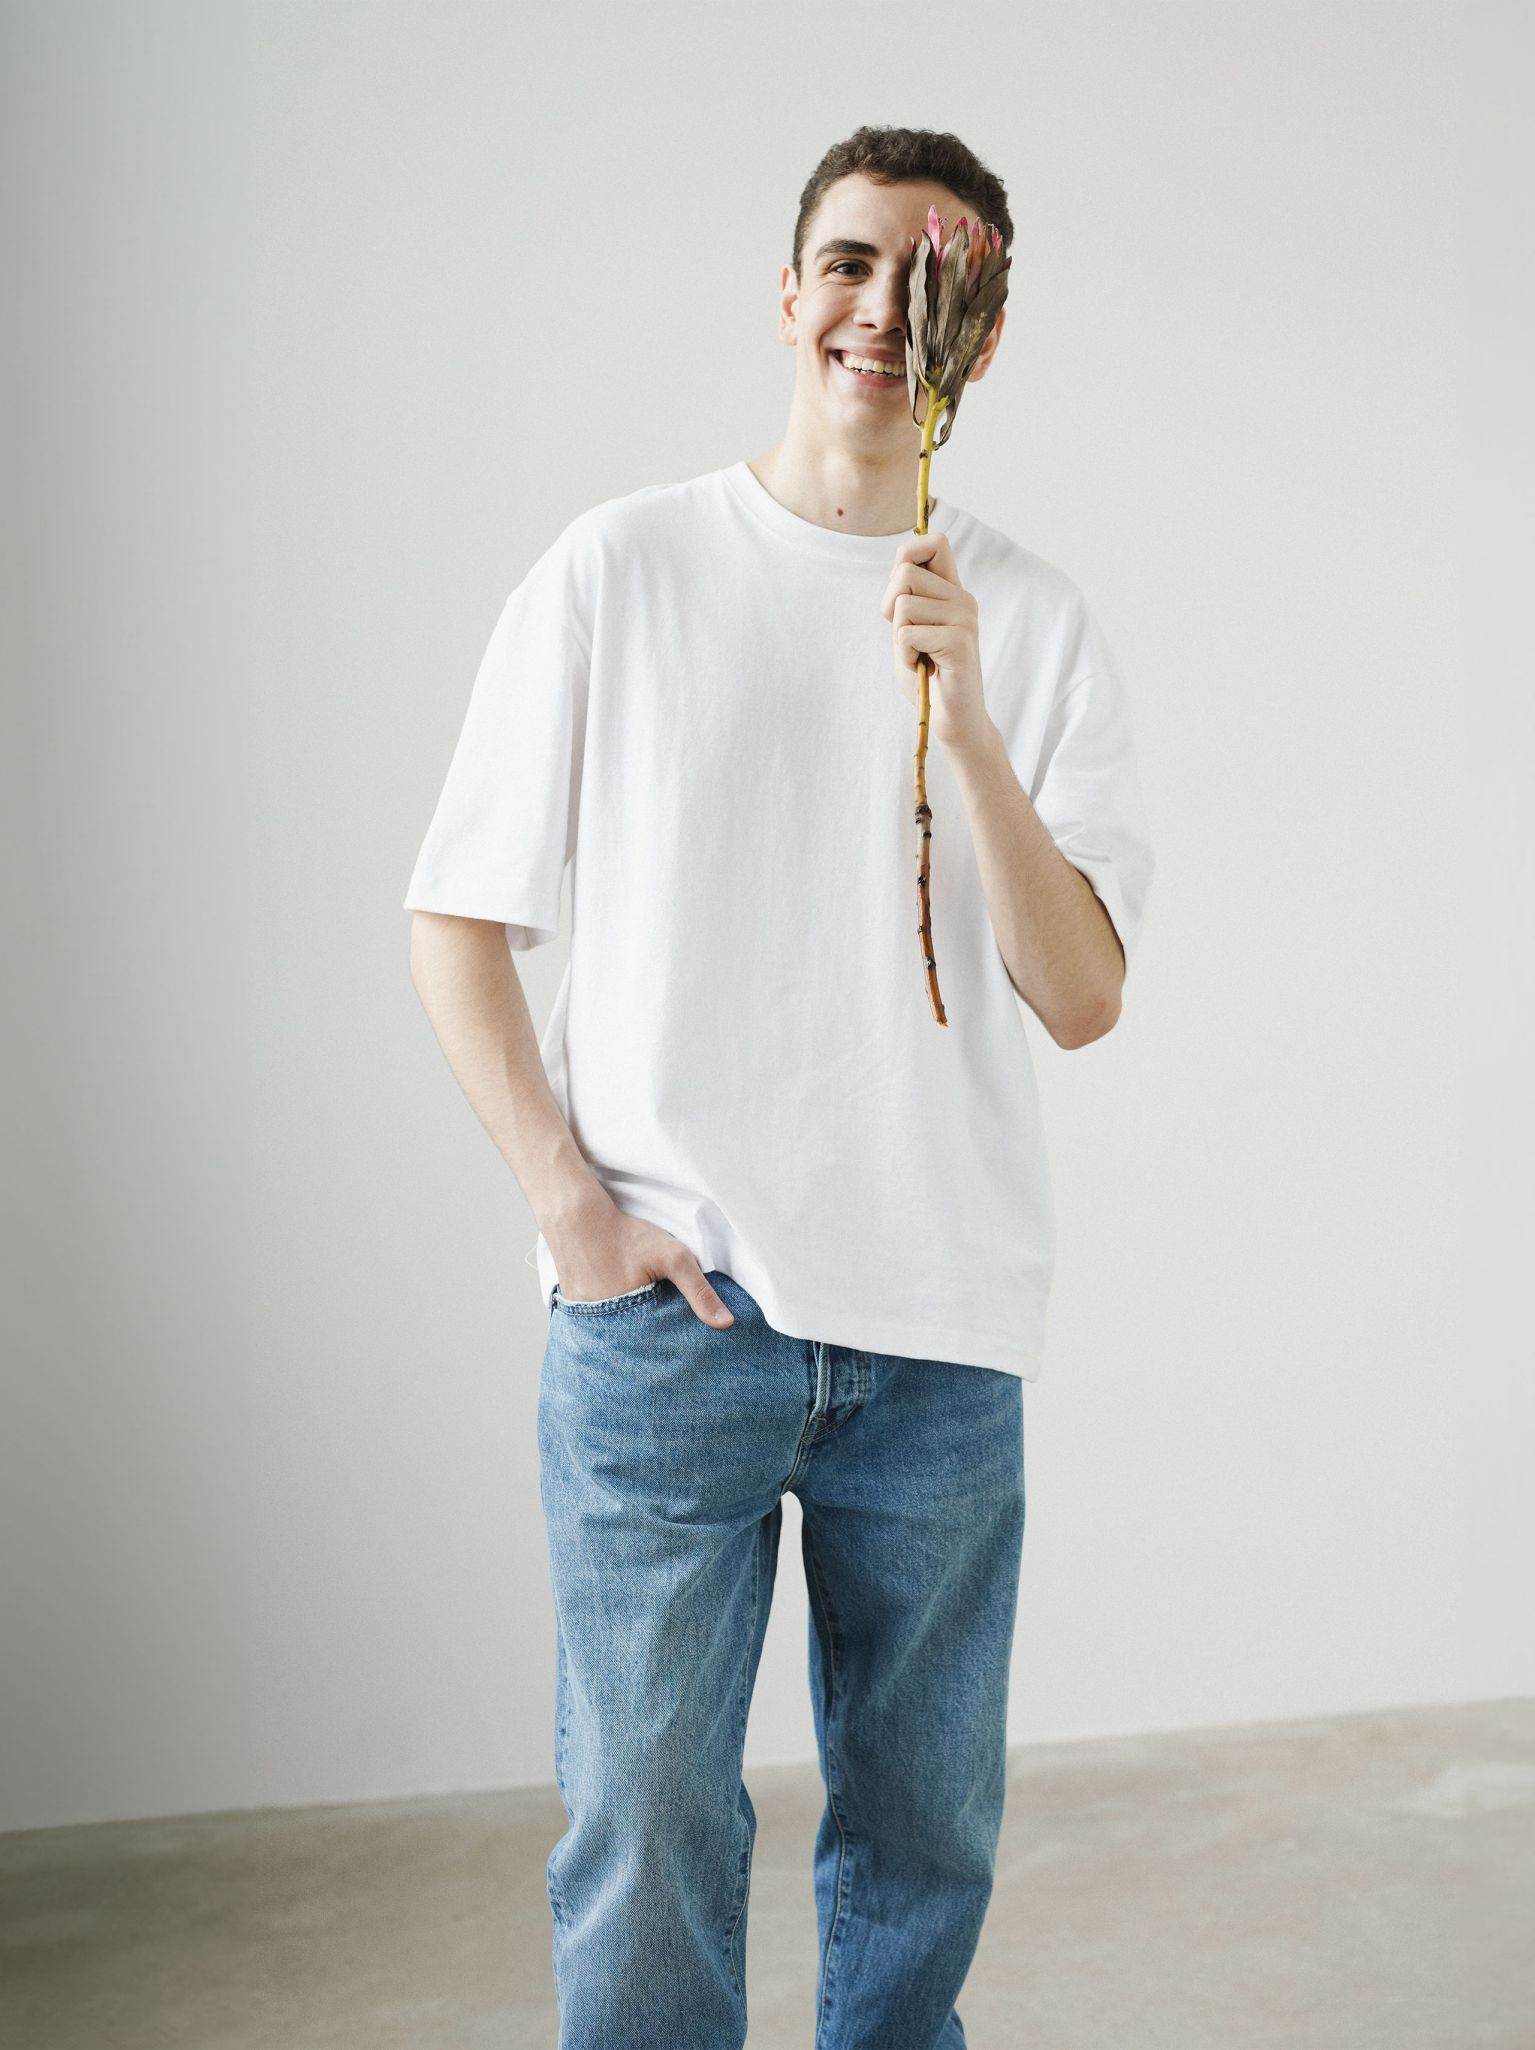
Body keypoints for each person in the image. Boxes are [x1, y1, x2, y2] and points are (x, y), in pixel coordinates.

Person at [405, 124, 1154, 2050]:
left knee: (925, 1835)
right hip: (674, 1328)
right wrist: (570, 1210)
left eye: (931, 273)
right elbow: (456, 917)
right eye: (849, 260)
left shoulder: (1035, 619)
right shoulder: (622, 568)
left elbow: (1081, 997)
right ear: (791, 294)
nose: (883, 307)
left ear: (986, 324)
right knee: (646, 1824)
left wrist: (967, 727)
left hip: (942, 1335)